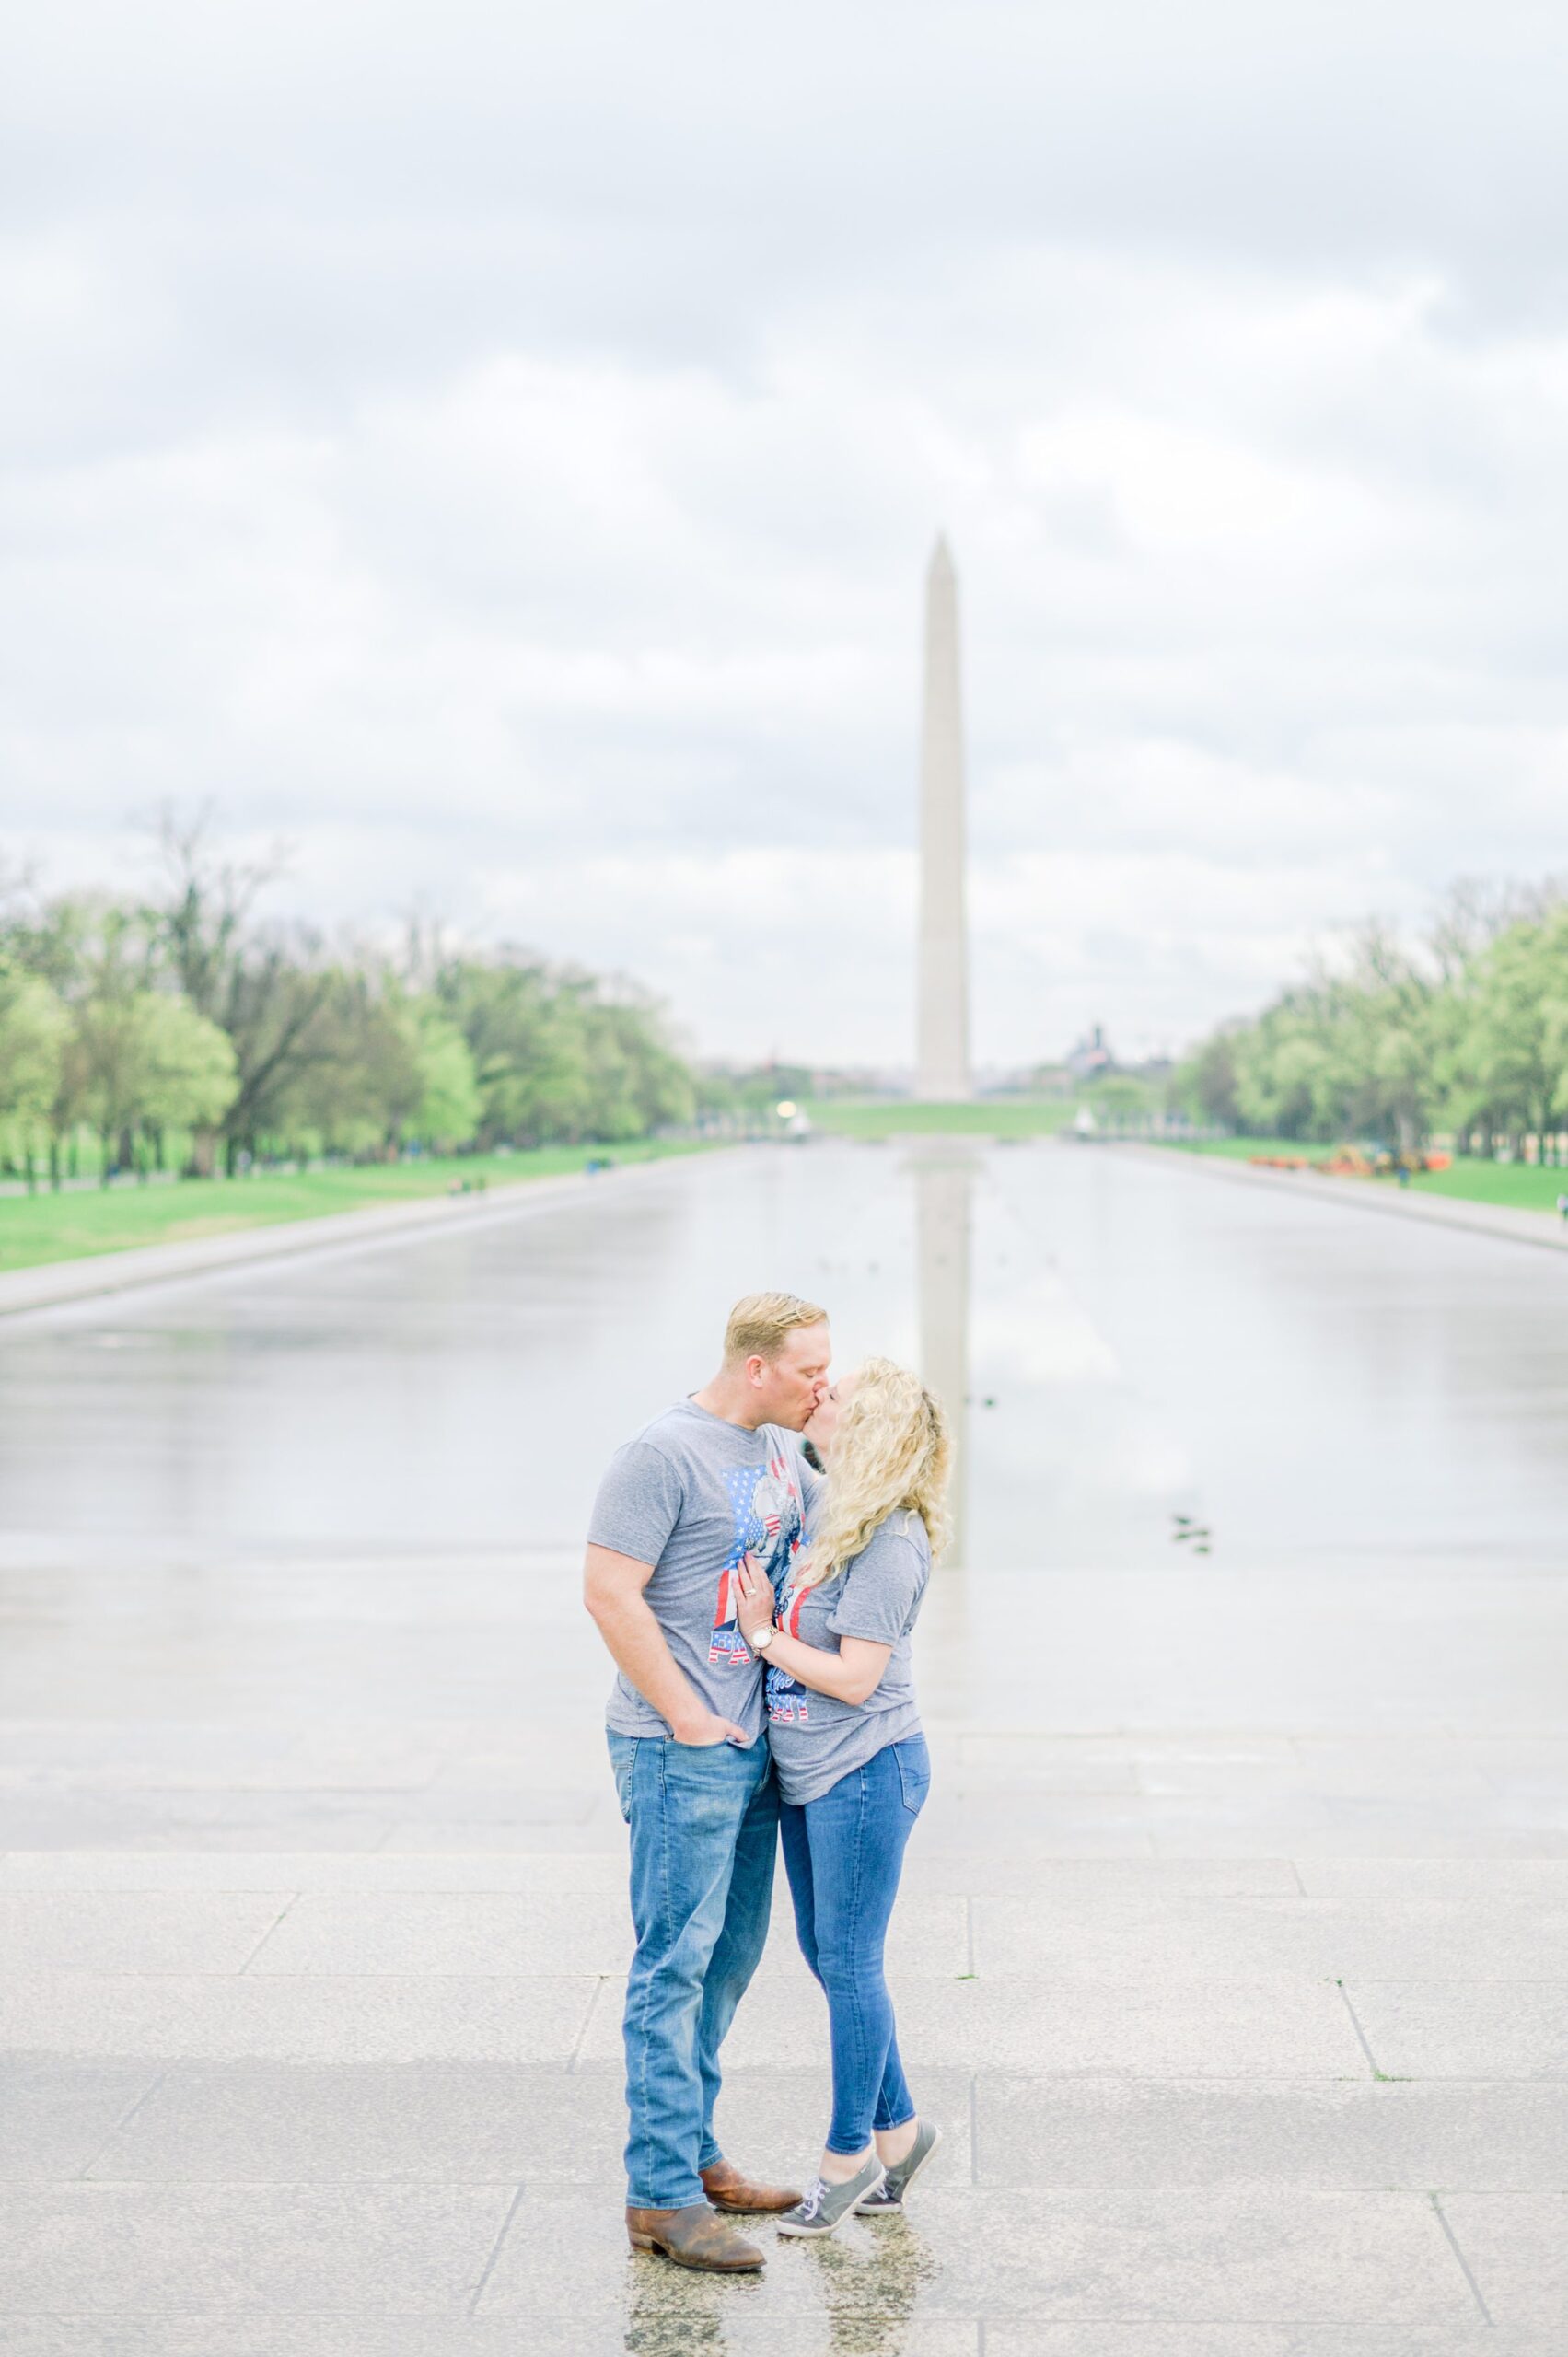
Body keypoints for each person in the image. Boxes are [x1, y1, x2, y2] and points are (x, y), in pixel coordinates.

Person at [584, 1291, 832, 2274]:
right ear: (756, 1365)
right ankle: (659, 2193)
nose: (823, 1382)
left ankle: (697, 2154)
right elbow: (607, 1590)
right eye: (811, 1368)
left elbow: (829, 1537)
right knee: (671, 1963)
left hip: (753, 1742)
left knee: (728, 1957)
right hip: (676, 1742)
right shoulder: (659, 1453)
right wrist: (687, 1713)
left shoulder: (778, 1450)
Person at [733, 1355, 948, 2239]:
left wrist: (759, 1636)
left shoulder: (892, 1538)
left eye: (840, 1394)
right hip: (813, 1773)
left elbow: (856, 1679)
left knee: (849, 1962)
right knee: (830, 1958)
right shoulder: (836, 1513)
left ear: (872, 1430)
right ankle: (902, 2134)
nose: (821, 1394)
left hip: (866, 1770)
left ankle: (847, 2156)